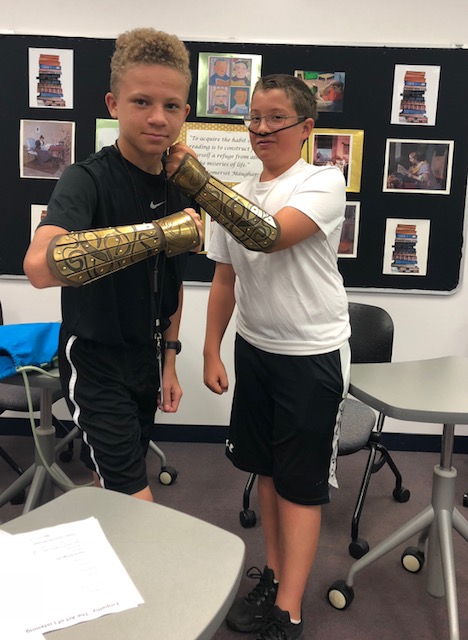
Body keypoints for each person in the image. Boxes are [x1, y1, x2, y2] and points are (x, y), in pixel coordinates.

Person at [166, 74, 350, 640]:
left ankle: (289, 612)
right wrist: (209, 348)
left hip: (310, 355)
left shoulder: (322, 181)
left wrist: (196, 180)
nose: (262, 129)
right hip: (258, 349)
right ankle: (274, 576)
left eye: (276, 118)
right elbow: (226, 275)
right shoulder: (239, 187)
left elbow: (267, 235)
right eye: (255, 118)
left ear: (306, 128)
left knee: (299, 484)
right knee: (266, 474)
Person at [23, 27, 204, 503]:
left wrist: (169, 360)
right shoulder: (86, 180)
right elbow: (39, 267)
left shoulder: (178, 186)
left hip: (146, 360)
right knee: (136, 500)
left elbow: (172, 282)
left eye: (170, 106)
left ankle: (91, 560)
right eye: (141, 101)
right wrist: (159, 233)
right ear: (113, 104)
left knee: (113, 484)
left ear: (185, 113)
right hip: (96, 361)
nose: (157, 118)